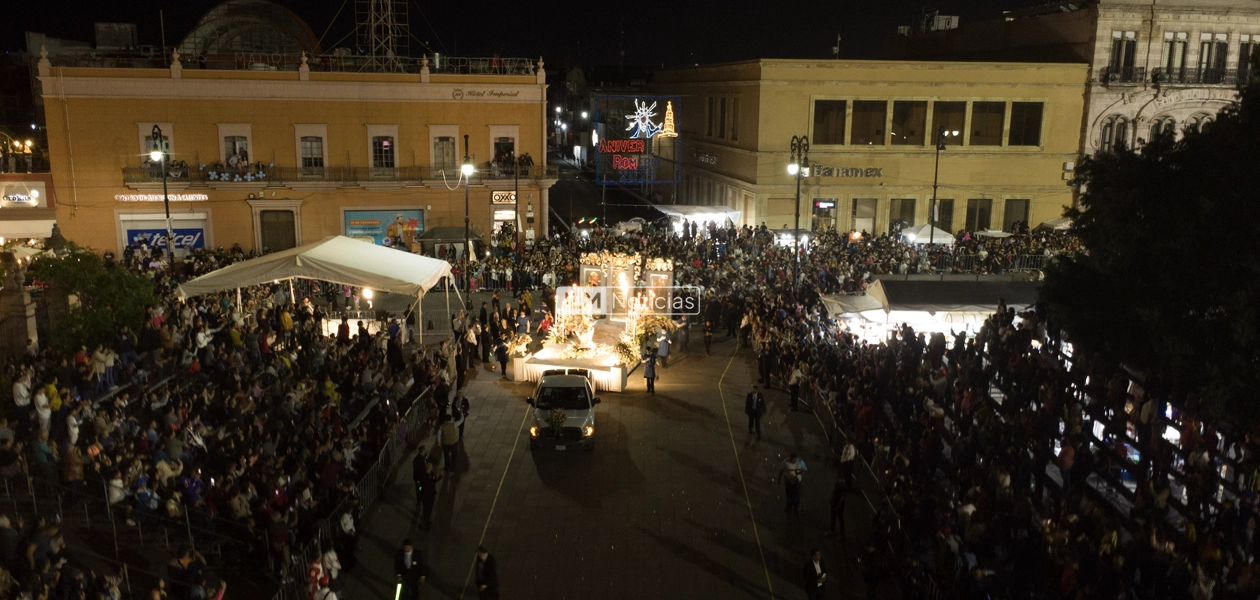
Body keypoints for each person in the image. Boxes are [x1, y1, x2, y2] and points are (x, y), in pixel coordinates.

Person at [414, 461, 441, 530]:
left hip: (430, 495)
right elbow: (430, 483)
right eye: (431, 468)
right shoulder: (424, 477)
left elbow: (433, 479)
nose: (432, 468)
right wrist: (421, 490)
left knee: (430, 508)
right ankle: (427, 524)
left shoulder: (429, 473)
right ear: (428, 469)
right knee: (426, 510)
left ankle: (427, 520)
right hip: (426, 496)